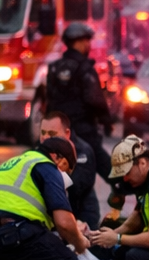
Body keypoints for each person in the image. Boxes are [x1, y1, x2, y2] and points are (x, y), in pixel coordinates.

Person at [45, 22, 113, 182]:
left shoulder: (55, 67)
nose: (89, 45)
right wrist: (107, 121)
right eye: (87, 41)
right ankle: (123, 187)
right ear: (80, 42)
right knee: (100, 161)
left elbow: (49, 97)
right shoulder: (84, 68)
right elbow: (94, 99)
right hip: (83, 128)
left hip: (59, 128)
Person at [39, 109, 100, 229]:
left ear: (67, 134)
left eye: (51, 134)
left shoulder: (82, 153)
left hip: (81, 212)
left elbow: (75, 187)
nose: (45, 138)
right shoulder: (37, 151)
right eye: (43, 132)